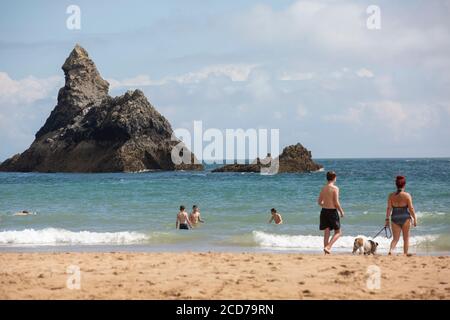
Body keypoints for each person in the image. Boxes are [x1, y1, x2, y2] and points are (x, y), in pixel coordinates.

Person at [385, 176, 417, 256]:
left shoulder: (391, 195)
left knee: (395, 239)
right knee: (406, 238)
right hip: (405, 218)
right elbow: (411, 208)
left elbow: (389, 208)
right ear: (404, 185)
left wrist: (387, 220)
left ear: (396, 185)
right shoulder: (407, 195)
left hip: (394, 218)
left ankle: (391, 251)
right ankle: (405, 254)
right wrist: (415, 218)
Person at [317, 171, 345, 254]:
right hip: (332, 212)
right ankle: (328, 247)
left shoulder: (324, 188)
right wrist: (341, 211)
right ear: (334, 178)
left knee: (326, 232)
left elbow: (319, 202)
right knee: (338, 232)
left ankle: (326, 251)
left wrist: (325, 205)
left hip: (324, 211)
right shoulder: (335, 188)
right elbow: (336, 202)